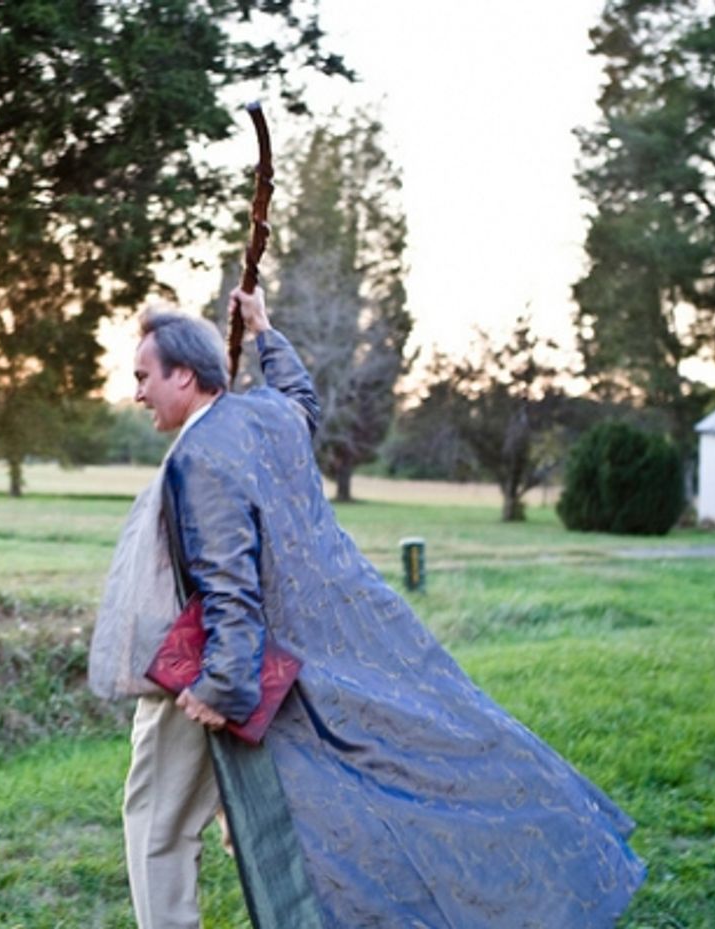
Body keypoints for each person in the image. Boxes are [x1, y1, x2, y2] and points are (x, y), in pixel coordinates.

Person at [112, 286, 645, 927]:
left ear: (186, 376)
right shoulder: (269, 419)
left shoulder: (200, 456)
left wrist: (221, 683)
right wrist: (265, 333)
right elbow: (303, 401)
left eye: (144, 377)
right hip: (285, 657)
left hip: (222, 662)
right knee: (248, 812)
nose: (137, 392)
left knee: (156, 819)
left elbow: (229, 583)